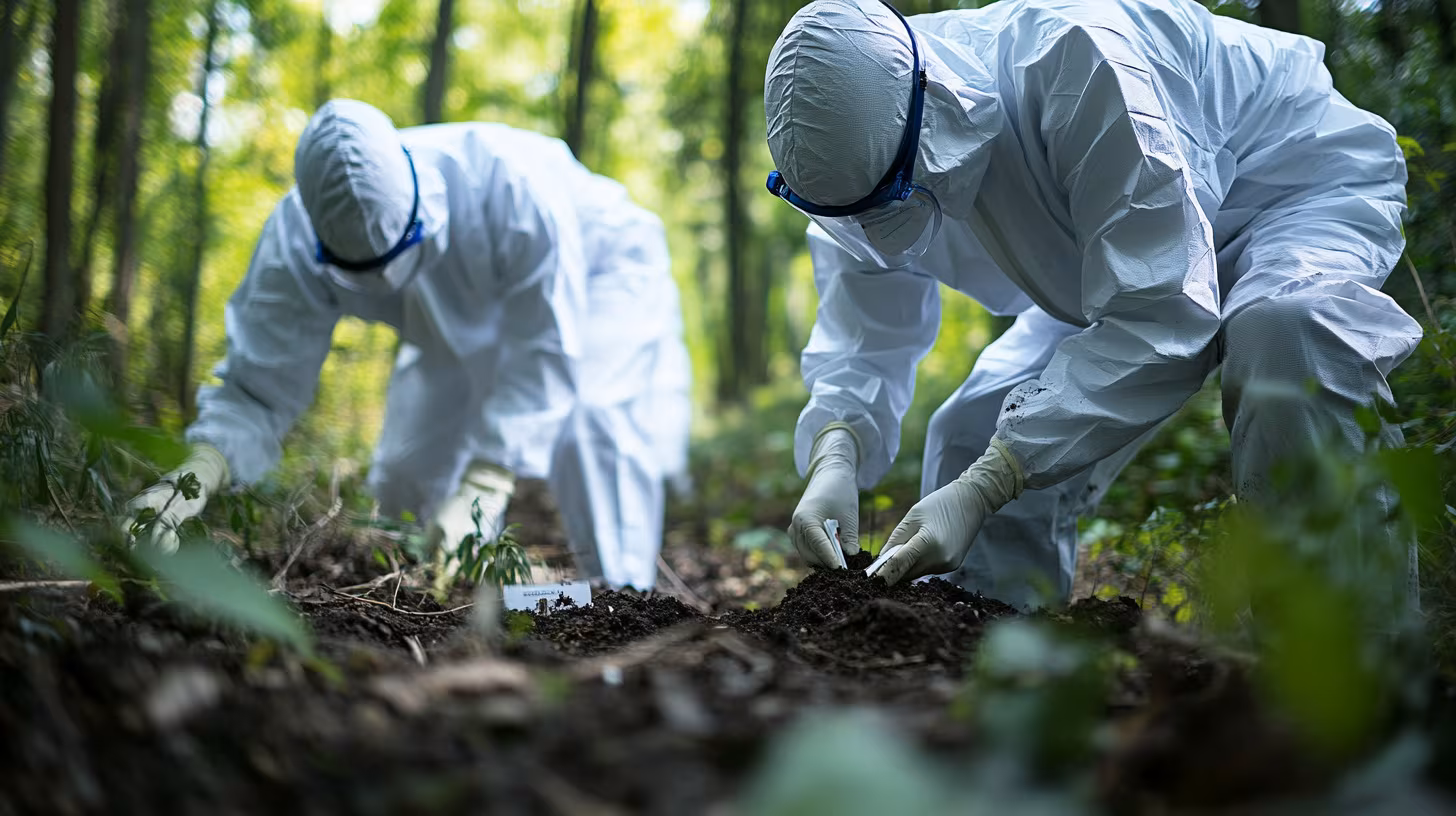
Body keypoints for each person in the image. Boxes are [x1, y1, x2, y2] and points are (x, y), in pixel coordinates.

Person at [765, 0, 1420, 609]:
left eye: (886, 201)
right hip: (1117, 261)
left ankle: (1351, 654)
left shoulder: (1079, 65)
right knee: (973, 432)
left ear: (931, 118)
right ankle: (1004, 662)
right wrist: (835, 451)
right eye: (856, 214)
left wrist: (993, 482)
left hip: (1290, 190)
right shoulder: (847, 174)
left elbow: (1162, 312)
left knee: (1286, 336)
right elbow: (864, 336)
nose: (875, 227)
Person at [122, 99, 692, 591]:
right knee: (406, 476)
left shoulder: (512, 188)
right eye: (362, 269)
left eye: (398, 252)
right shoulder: (292, 240)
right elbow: (259, 387)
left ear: (423, 203)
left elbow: (545, 346)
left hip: (602, 273)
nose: (384, 279)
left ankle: (622, 600)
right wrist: (197, 473)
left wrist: (488, 480)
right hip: (453, 314)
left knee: (593, 423)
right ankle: (470, 600)